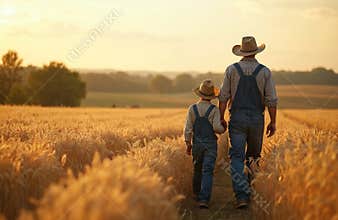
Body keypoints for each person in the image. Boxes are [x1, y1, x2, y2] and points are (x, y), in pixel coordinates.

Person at [219, 36, 278, 209]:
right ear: (256, 52)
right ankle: (253, 192)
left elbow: (223, 96)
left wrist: (221, 117)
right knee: (254, 157)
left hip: (236, 118)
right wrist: (273, 121)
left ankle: (242, 196)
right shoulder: (265, 71)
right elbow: (272, 100)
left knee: (236, 157)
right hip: (257, 119)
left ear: (242, 52)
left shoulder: (231, 70)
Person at [184, 79, 226, 209]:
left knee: (197, 169)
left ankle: (196, 194)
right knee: (208, 170)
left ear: (200, 94)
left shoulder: (192, 108)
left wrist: (188, 144)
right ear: (211, 97)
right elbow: (217, 129)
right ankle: (204, 199)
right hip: (210, 145)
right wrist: (224, 127)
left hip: (197, 144)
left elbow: (188, 128)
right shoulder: (214, 110)